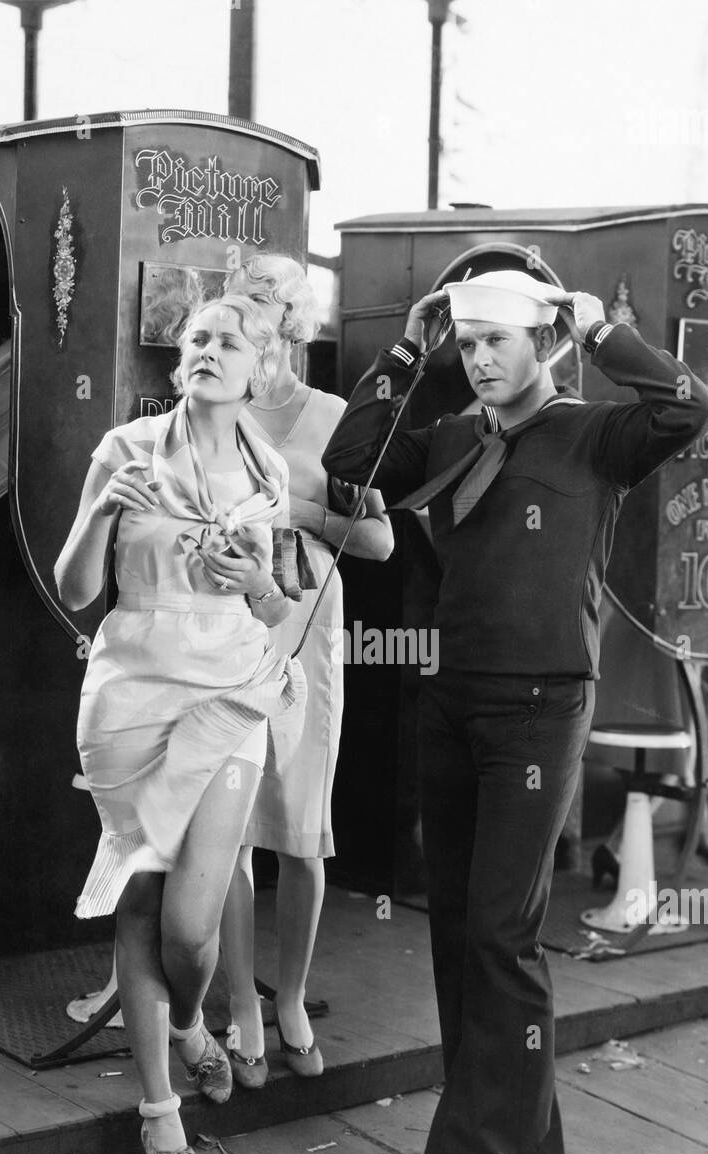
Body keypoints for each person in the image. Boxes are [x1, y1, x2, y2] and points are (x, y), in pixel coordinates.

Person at [322, 268, 708, 1154]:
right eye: (468, 342)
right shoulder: (457, 435)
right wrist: (410, 349)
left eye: (498, 340)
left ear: (544, 341)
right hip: (451, 702)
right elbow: (355, 469)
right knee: (457, 927)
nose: (481, 358)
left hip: (539, 712)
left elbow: (688, 408)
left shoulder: (595, 433)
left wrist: (604, 330)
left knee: (502, 933)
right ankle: (466, 1134)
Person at [54, 293, 305, 1154]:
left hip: (232, 685)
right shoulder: (123, 452)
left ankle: (196, 1025)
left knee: (194, 925)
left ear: (259, 369)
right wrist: (95, 518)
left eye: (229, 342)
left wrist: (261, 586)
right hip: (130, 687)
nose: (208, 351)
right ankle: (163, 1116)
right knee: (143, 896)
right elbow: (78, 587)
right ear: (180, 362)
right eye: (197, 339)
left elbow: (274, 605)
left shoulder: (268, 469)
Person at [217, 254, 394, 1085]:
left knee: (299, 827)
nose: (248, 346)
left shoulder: (336, 417)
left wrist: (303, 510)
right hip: (224, 629)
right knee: (229, 827)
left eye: (262, 326)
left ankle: (289, 998)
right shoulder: (208, 413)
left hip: (307, 627)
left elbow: (381, 542)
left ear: (293, 330)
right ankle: (242, 1009)